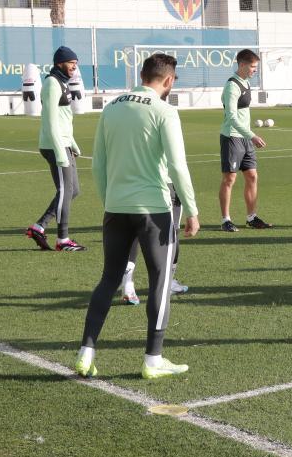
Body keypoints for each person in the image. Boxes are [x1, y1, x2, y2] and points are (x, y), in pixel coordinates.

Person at [74, 53, 199, 379]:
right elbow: (177, 165)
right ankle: (152, 360)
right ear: (168, 80)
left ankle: (85, 353)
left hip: (115, 208)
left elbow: (97, 164)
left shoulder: (112, 108)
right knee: (160, 280)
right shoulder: (164, 111)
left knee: (108, 279)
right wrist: (192, 208)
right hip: (154, 211)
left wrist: (109, 200)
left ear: (141, 75)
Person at [26, 46, 86, 252]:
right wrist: (61, 152)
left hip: (64, 143)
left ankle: (39, 227)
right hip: (55, 145)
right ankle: (63, 240)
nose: (74, 67)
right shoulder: (52, 83)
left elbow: (64, 118)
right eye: (71, 63)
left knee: (73, 190)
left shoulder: (62, 82)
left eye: (76, 64)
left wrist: (73, 144)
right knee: (65, 190)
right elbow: (50, 121)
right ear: (60, 63)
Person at [218, 49, 271, 232]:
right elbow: (232, 117)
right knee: (229, 179)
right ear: (242, 65)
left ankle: (251, 217)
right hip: (232, 137)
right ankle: (225, 220)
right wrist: (252, 135)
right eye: (253, 66)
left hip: (245, 138)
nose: (255, 70)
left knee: (252, 176)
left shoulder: (246, 83)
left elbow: (243, 113)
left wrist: (249, 135)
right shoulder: (232, 86)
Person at [118, 181, 189, 306]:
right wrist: (191, 209)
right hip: (165, 184)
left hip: (133, 184)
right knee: (171, 233)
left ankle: (127, 285)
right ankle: (168, 282)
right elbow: (177, 167)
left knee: (134, 231)